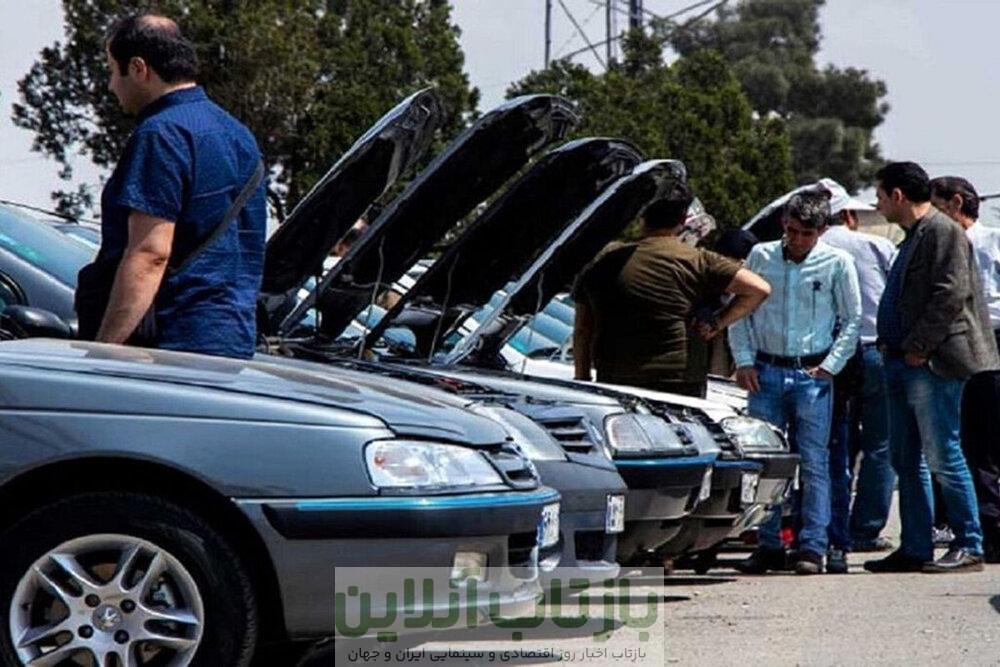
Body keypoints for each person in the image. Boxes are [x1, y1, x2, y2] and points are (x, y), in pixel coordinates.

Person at [78, 14, 266, 358]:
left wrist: (104, 350)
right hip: (232, 341)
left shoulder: (161, 134)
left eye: (112, 71)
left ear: (138, 68)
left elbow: (150, 254)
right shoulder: (239, 135)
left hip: (168, 347)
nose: (110, 86)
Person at [865, 162, 998, 574]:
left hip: (931, 365)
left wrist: (920, 347)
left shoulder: (943, 231)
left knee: (944, 455)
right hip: (900, 361)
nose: (877, 204)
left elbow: (950, 293)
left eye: (880, 196)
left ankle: (969, 543)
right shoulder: (913, 236)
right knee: (906, 459)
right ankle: (915, 546)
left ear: (898, 196)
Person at [730, 189, 862, 575]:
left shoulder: (837, 262)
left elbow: (852, 318)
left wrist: (831, 365)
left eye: (807, 233)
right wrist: (744, 360)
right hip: (766, 370)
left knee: (815, 461)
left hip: (811, 375)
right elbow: (741, 310)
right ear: (783, 225)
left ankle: (813, 545)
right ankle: (768, 542)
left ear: (821, 231)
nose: (798, 240)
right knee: (766, 460)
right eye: (792, 231)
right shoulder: (761, 256)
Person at [573, 182, 771, 398]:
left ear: (642, 215)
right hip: (679, 380)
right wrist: (718, 322)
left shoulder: (604, 261)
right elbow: (759, 289)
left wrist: (583, 378)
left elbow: (583, 329)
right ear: (683, 220)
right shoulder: (699, 260)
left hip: (616, 377)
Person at [820, 187, 898, 567]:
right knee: (881, 444)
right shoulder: (877, 246)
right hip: (876, 351)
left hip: (831, 356)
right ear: (849, 216)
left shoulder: (813, 249)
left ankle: (833, 527)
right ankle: (866, 529)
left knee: (836, 442)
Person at [930, 175, 1000, 561]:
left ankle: (989, 526)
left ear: (955, 204)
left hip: (987, 342)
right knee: (958, 438)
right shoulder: (941, 243)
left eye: (936, 206)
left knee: (982, 442)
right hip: (956, 345)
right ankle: (960, 522)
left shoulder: (988, 241)